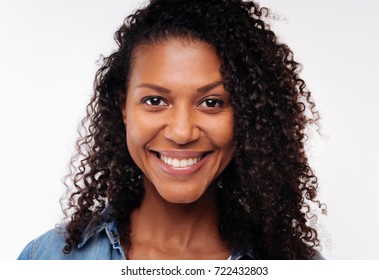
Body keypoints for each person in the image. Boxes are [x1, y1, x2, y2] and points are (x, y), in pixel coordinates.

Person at [18, 0, 325, 260]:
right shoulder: (48, 259)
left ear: (245, 115)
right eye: (155, 100)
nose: (181, 132)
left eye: (211, 102)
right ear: (123, 108)